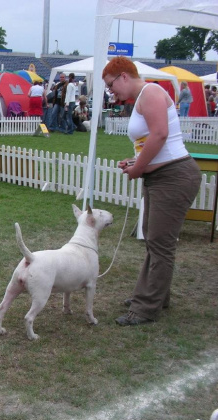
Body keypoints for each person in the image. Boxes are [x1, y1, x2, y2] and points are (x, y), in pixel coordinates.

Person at [102, 57, 201, 326]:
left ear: (123, 76)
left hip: (174, 177)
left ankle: (147, 307)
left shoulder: (152, 92)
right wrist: (135, 162)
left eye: (111, 86)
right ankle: (154, 295)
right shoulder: (141, 100)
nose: (113, 93)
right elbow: (150, 144)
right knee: (154, 240)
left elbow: (160, 135)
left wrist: (138, 168)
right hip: (160, 177)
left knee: (160, 242)